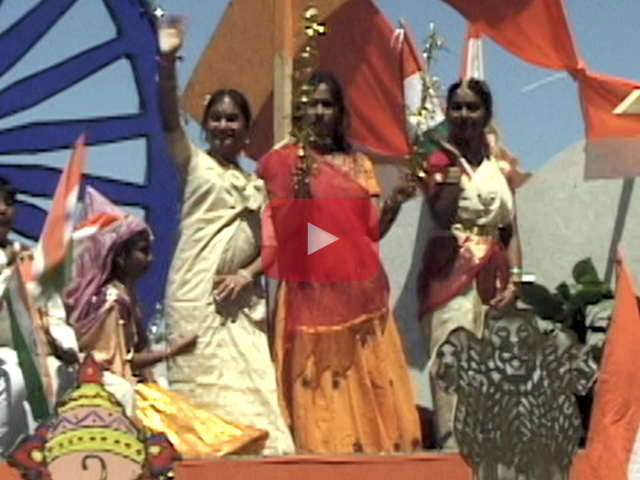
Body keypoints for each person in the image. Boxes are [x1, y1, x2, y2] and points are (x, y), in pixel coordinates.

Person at [257, 71, 422, 454]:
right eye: (311, 104)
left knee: (366, 380)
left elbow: (371, 233)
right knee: (317, 384)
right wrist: (298, 196)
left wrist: (395, 202)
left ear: (340, 112)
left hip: (358, 293)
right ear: (300, 113)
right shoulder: (288, 163)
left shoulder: (359, 164)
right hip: (309, 293)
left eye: (326, 104)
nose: (319, 111)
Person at [156, 18, 295, 454]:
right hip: (196, 296)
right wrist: (166, 61)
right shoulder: (193, 163)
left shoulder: (257, 184)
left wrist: (247, 274)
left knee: (254, 390)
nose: (223, 125)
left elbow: (275, 246)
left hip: (240, 302)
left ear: (246, 129)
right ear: (205, 124)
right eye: (215, 118)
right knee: (199, 390)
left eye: (233, 119)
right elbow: (166, 117)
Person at [417, 79, 526, 451]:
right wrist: (447, 170)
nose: (464, 115)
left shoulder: (502, 164)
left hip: (494, 272)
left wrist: (516, 281)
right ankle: (454, 447)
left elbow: (510, 228)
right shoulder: (437, 159)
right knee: (454, 356)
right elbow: (443, 216)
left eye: (472, 108)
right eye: (457, 108)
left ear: (487, 115)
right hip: (451, 269)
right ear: (447, 113)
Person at [63, 187, 198, 415]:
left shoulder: (127, 296)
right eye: (143, 251)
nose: (150, 259)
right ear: (122, 257)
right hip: (103, 383)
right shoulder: (112, 301)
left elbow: (140, 346)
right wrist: (171, 353)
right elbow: (116, 362)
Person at [0, 177, 78, 457]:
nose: (2, 210)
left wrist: (66, 346)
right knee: (16, 379)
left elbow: (53, 316)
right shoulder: (13, 263)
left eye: (8, 203)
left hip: (34, 355)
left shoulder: (28, 259)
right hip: (4, 359)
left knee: (113, 389)